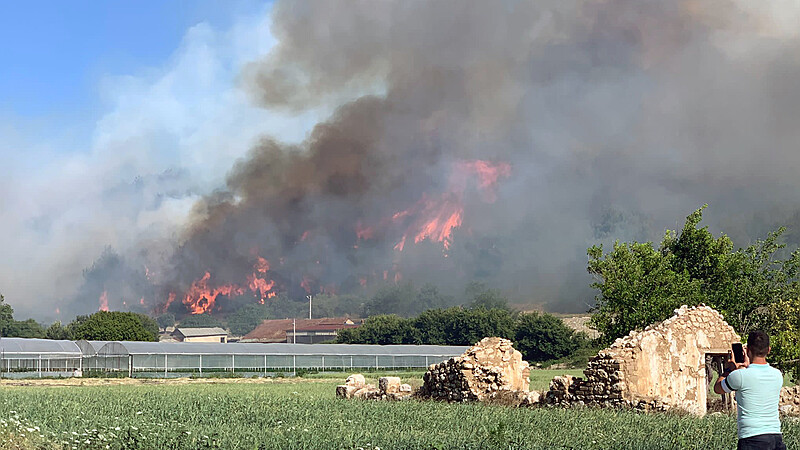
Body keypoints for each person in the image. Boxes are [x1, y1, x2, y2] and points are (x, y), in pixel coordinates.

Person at [714, 330, 785, 450]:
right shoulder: (777, 375)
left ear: (747, 350)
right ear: (769, 350)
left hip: (751, 438)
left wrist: (730, 369)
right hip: (775, 437)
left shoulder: (740, 376)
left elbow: (718, 388)